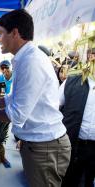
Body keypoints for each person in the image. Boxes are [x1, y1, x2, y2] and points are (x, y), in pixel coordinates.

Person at [0, 9, 71, 187]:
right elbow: (9, 100)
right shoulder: (25, 59)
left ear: (15, 33)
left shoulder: (31, 62)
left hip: (45, 147)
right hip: (38, 144)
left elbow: (15, 114)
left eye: (0, 34)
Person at [60, 48, 95, 187]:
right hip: (73, 146)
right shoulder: (72, 79)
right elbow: (54, 106)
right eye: (92, 52)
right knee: (70, 181)